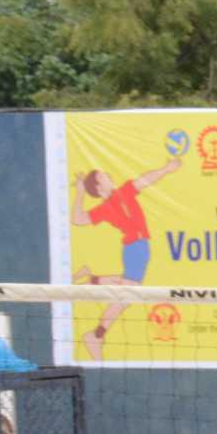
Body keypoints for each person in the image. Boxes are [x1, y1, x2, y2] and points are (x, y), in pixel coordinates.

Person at [70, 149, 187, 360]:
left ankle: (92, 279)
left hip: (140, 248)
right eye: (104, 176)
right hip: (135, 249)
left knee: (128, 289)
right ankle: (96, 335)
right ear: (99, 187)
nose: (109, 175)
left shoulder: (124, 192)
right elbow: (77, 219)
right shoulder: (105, 207)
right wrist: (80, 192)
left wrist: (166, 169)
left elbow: (146, 179)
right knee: (127, 295)